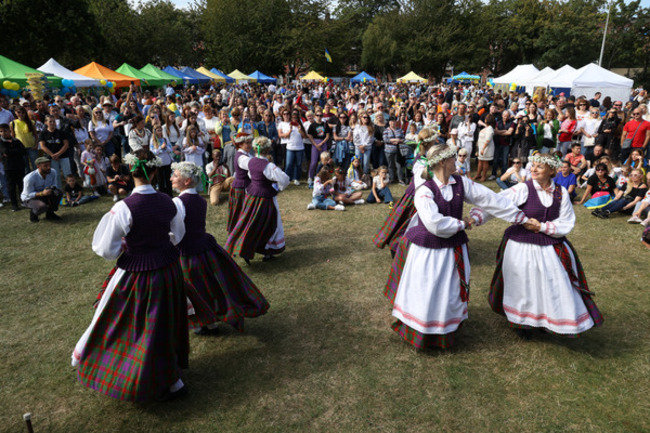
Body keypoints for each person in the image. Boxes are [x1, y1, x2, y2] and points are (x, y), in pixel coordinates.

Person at [72, 149, 189, 402]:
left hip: (138, 275)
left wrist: (125, 246)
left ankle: (144, 375)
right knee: (166, 322)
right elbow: (177, 236)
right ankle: (172, 378)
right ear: (156, 171)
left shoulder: (124, 208)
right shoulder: (169, 202)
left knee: (135, 326)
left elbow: (105, 249)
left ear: (129, 172)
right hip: (168, 269)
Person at [384, 144, 528, 349]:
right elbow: (434, 223)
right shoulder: (425, 190)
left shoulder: (460, 183)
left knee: (448, 291)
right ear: (443, 161)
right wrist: (463, 224)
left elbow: (490, 199)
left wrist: (519, 217)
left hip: (452, 248)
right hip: (428, 251)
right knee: (426, 290)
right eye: (453, 158)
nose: (458, 161)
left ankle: (446, 330)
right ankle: (421, 331)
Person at [482, 153, 603, 339]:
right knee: (522, 283)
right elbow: (497, 204)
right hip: (520, 245)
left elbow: (567, 222)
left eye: (539, 166)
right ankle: (522, 322)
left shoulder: (561, 192)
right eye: (533, 165)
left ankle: (548, 319)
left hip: (549, 245)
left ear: (551, 170)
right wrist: (474, 217)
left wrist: (542, 227)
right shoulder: (523, 188)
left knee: (551, 283)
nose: (534, 169)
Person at [170, 161, 269, 334]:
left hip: (188, 251)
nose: (171, 178)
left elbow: (178, 233)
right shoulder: (199, 200)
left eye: (175, 176)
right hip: (204, 247)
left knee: (194, 288)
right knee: (208, 284)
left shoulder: (178, 202)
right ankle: (212, 322)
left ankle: (202, 322)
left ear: (186, 181)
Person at [373, 127, 438, 254]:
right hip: (417, 194)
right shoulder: (423, 158)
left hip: (418, 193)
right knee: (408, 224)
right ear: (430, 142)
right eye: (434, 139)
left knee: (407, 223)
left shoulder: (425, 154)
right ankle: (396, 246)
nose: (436, 141)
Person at [226, 137, 290, 263]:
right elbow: (284, 179)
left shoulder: (251, 161)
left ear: (256, 149)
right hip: (265, 198)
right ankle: (267, 251)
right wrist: (278, 187)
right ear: (268, 150)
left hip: (251, 196)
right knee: (271, 224)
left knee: (250, 222)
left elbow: (251, 175)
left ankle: (245, 248)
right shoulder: (268, 166)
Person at [21, 157, 62, 222]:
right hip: (30, 198)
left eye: (49, 165)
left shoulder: (53, 172)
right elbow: (27, 195)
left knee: (58, 193)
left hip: (45, 193)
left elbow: (55, 184)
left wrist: (51, 189)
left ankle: (50, 214)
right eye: (45, 166)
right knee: (41, 206)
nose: (49, 167)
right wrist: (41, 193)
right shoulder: (29, 178)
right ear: (38, 166)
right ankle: (33, 215)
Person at [227, 132, 253, 233]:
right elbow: (252, 166)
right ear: (240, 144)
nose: (250, 145)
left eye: (250, 142)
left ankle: (241, 230)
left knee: (243, 210)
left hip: (244, 185)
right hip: (241, 187)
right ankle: (238, 231)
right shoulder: (242, 157)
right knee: (240, 211)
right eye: (247, 143)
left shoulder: (246, 154)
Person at [39, 115, 70, 189]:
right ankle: (59, 191)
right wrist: (52, 155)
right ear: (46, 122)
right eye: (50, 121)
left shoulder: (61, 132)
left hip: (63, 156)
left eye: (54, 121)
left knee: (68, 174)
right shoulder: (43, 133)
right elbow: (42, 146)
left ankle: (70, 190)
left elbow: (66, 144)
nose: (52, 123)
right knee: (56, 175)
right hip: (51, 158)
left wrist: (58, 154)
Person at [0, 123, 26, 211]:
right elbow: (5, 151)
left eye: (5, 131)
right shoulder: (1, 142)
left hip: (19, 165)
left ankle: (23, 201)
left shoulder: (16, 141)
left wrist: (11, 153)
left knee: (21, 184)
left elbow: (23, 150)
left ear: (10, 131)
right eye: (1, 131)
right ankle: (14, 205)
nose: (3, 133)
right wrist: (13, 152)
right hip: (9, 167)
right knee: (11, 186)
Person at [150, 124, 174, 196]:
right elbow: (152, 151)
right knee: (160, 180)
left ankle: (170, 194)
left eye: (160, 130)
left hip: (166, 162)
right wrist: (160, 148)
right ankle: (161, 194)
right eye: (158, 130)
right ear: (155, 131)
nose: (160, 132)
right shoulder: (153, 140)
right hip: (159, 163)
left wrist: (166, 148)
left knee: (168, 179)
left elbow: (170, 149)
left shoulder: (165, 139)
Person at [474, 114, 495, 182]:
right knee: (480, 161)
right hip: (481, 147)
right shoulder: (486, 127)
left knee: (485, 162)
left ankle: (484, 176)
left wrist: (483, 149)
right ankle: (478, 174)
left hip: (486, 148)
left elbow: (488, 140)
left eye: (486, 118)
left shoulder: (490, 129)